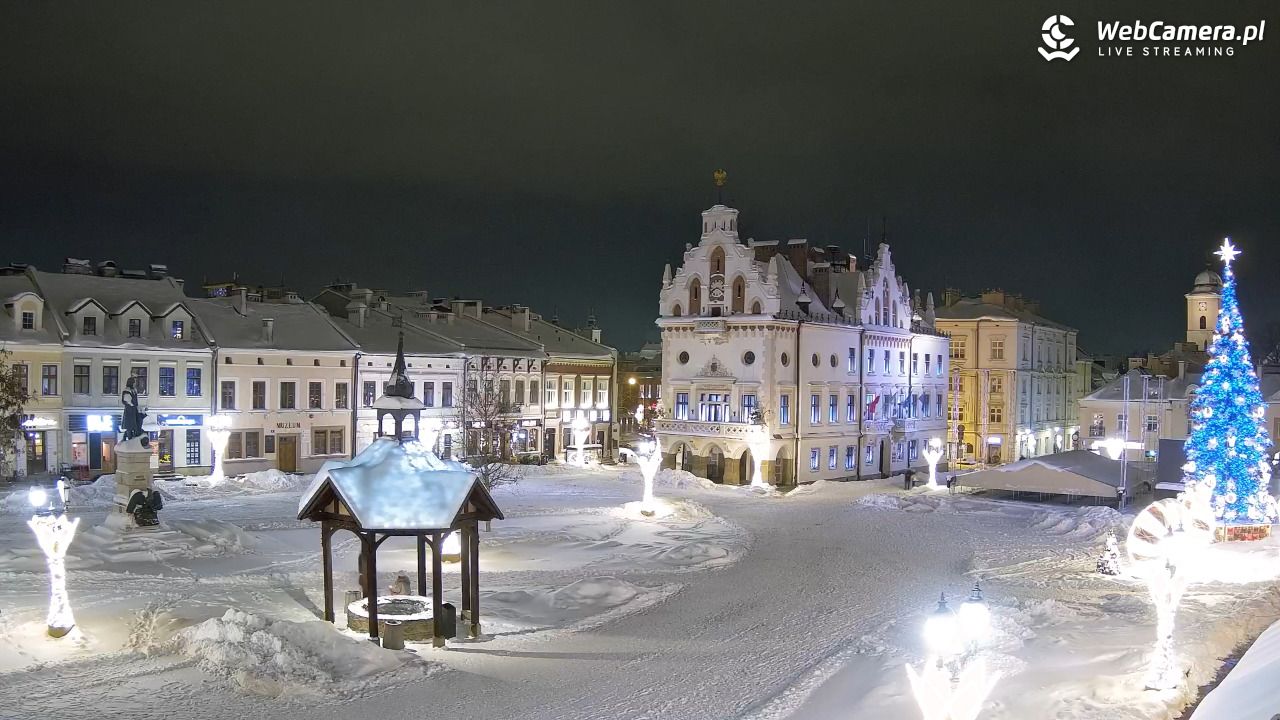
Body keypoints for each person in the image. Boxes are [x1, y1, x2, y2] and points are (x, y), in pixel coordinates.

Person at [121, 376, 149, 446]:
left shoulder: (134, 390)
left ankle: (133, 437)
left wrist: (138, 407)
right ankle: (129, 439)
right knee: (129, 425)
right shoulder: (127, 390)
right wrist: (132, 405)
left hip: (133, 410)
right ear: (131, 383)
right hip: (129, 410)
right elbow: (127, 400)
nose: (135, 384)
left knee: (136, 423)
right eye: (134, 382)